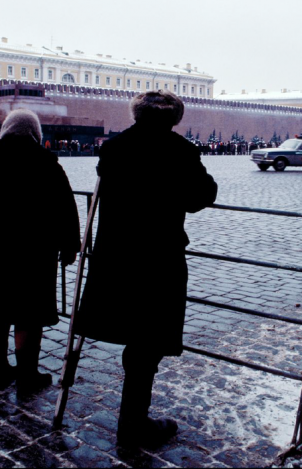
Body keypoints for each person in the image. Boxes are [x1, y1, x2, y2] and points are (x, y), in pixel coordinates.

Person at [77, 90, 218, 449]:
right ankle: (134, 423)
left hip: (115, 258)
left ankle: (133, 418)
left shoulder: (113, 148)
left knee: (134, 336)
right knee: (147, 342)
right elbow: (202, 195)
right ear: (174, 119)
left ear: (136, 115)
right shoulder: (180, 152)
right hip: (158, 263)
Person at [0, 109, 80, 393]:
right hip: (35, 250)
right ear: (34, 133)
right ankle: (27, 375)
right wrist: (70, 246)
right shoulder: (46, 163)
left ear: (5, 131)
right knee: (28, 312)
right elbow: (66, 208)